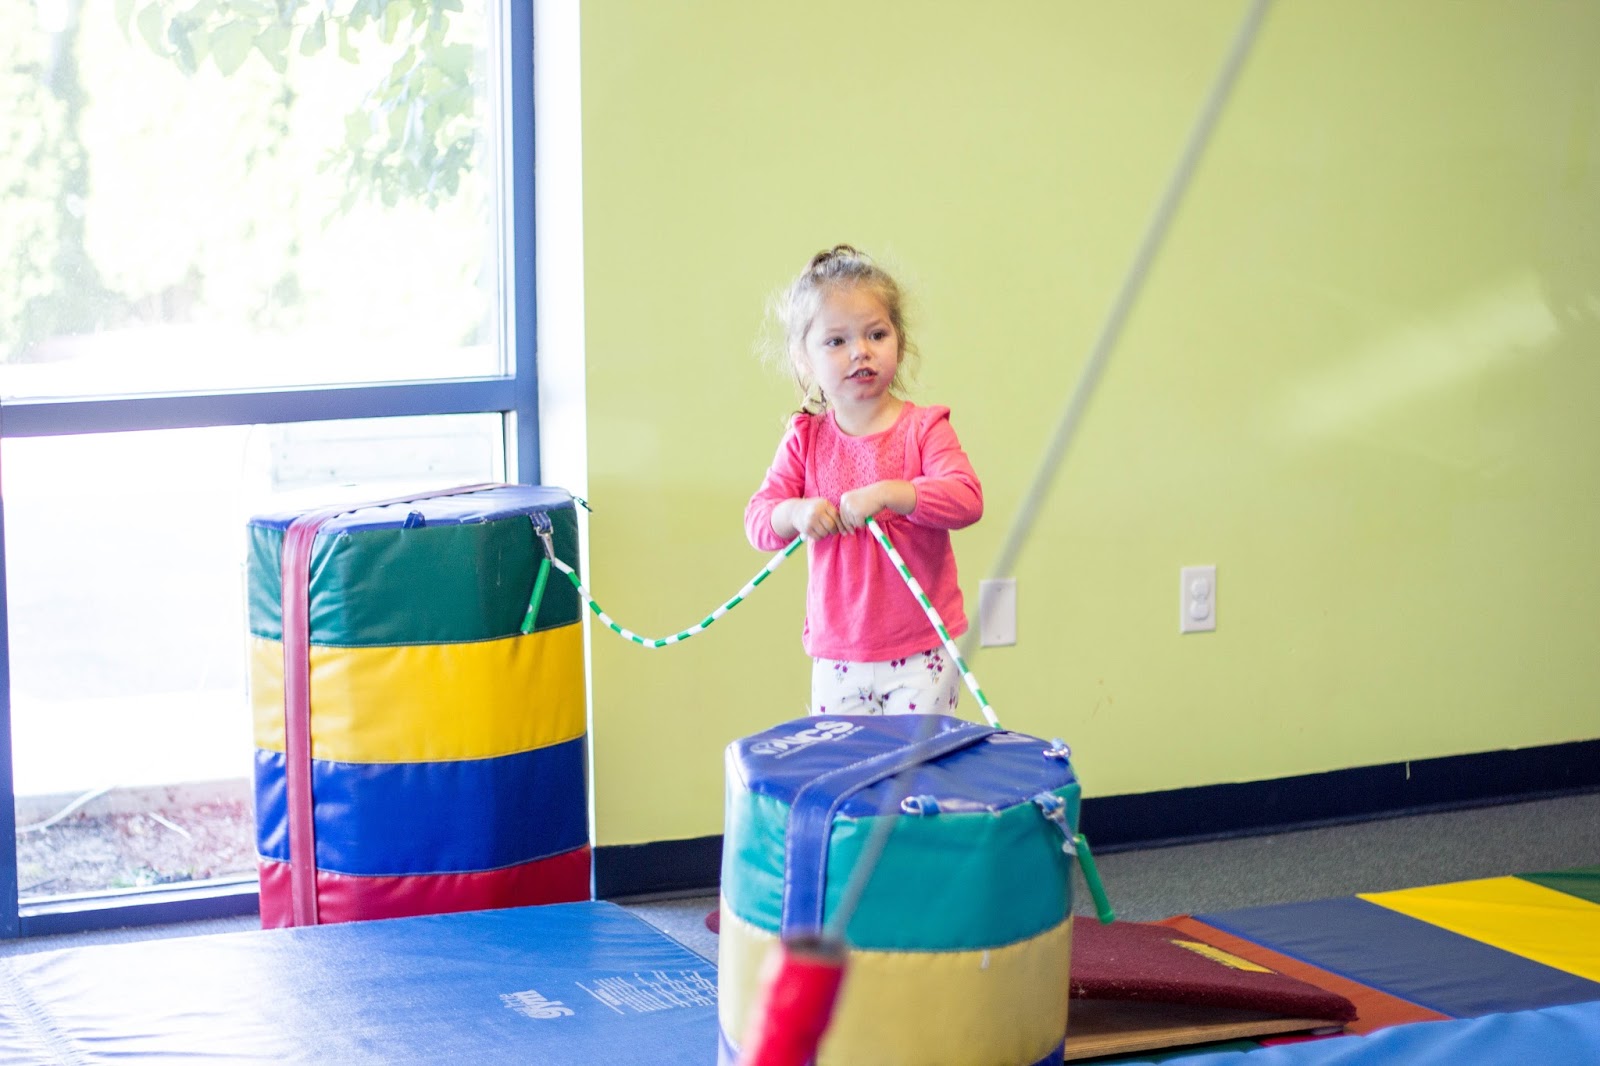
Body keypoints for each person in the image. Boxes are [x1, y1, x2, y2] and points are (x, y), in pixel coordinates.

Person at [745, 244, 983, 716]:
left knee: (911, 779)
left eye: (876, 334)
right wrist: (795, 512)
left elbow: (966, 498)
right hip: (838, 656)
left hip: (922, 653)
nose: (860, 352)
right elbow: (758, 521)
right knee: (851, 779)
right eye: (836, 341)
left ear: (899, 338)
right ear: (803, 358)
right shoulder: (805, 439)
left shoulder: (924, 428)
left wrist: (897, 494)